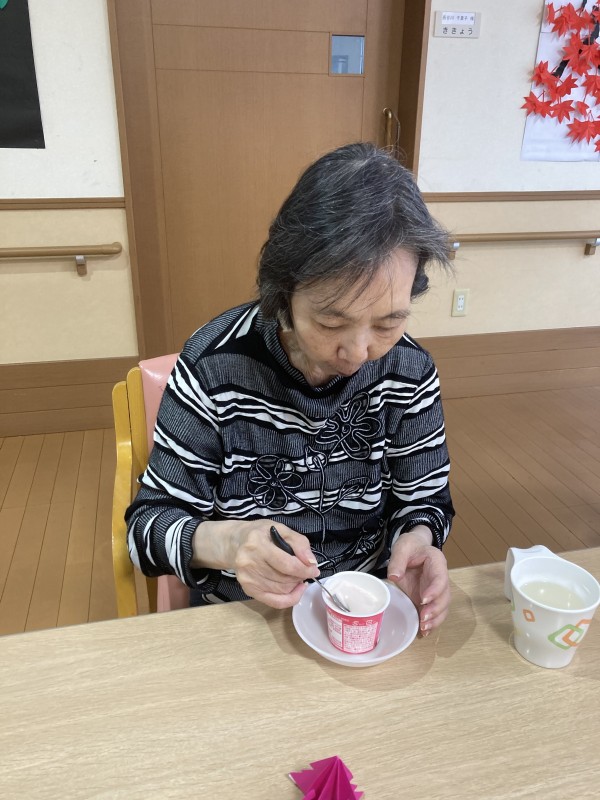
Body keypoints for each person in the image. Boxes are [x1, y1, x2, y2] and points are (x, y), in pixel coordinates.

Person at [126, 142, 454, 636]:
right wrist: (231, 543)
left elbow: (425, 500)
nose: (358, 353)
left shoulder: (409, 370)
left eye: (388, 323)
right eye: (330, 322)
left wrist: (420, 539)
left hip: (362, 611)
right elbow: (146, 530)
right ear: (283, 292)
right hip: (244, 612)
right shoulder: (215, 367)